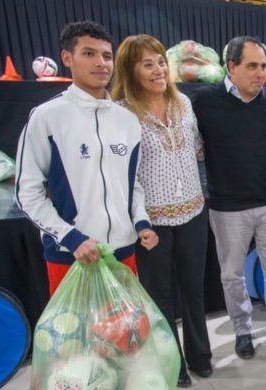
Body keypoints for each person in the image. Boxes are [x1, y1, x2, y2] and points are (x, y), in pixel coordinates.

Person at [15, 21, 158, 296]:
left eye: (106, 56)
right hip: (73, 254)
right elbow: (26, 193)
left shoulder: (127, 121)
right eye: (89, 54)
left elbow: (133, 184)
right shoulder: (47, 117)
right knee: (76, 337)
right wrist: (70, 237)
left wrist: (141, 222)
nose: (101, 63)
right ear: (67, 58)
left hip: (123, 252)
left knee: (124, 335)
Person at [193, 36, 266, 358]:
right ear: (231, 67)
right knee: (232, 276)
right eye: (252, 66)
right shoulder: (204, 101)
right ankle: (242, 332)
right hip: (227, 208)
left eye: (263, 66)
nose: (260, 73)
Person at [111, 34, 212, 388]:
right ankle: (173, 364)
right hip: (152, 223)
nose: (158, 69)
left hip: (194, 214)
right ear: (130, 69)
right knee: (160, 296)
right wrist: (140, 222)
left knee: (194, 289)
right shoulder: (122, 113)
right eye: (147, 63)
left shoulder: (183, 101)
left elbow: (197, 151)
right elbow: (127, 177)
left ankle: (201, 356)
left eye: (160, 61)